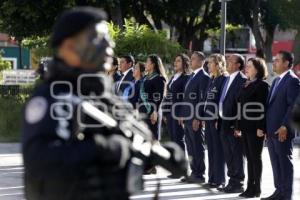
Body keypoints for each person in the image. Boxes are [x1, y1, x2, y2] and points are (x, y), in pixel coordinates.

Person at [21, 7, 131, 200]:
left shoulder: (103, 94)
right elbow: (39, 159)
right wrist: (103, 147)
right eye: (97, 37)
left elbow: (130, 136)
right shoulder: (53, 97)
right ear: (69, 46)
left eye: (108, 37)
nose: (109, 44)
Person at [261, 51, 300, 200]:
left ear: (286, 63)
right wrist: (265, 127)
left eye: (277, 60)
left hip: (282, 130)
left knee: (284, 163)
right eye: (274, 60)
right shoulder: (277, 81)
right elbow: (271, 107)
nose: (275, 63)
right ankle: (279, 192)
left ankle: (286, 195)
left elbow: (294, 106)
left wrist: (285, 126)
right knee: (276, 163)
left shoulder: (292, 80)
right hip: (271, 130)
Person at [235, 58, 269, 198]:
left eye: (249, 66)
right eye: (246, 66)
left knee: (256, 158)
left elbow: (263, 108)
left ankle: (257, 189)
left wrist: (261, 127)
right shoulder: (245, 84)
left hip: (256, 127)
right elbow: (240, 106)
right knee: (249, 158)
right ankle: (249, 187)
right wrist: (238, 126)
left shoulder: (262, 85)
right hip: (245, 126)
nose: (246, 69)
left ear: (257, 69)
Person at [179, 51, 210, 183]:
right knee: (190, 145)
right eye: (190, 59)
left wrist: (198, 117)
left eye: (193, 59)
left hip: (195, 118)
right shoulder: (191, 76)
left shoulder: (204, 77)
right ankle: (193, 171)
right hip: (187, 116)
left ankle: (200, 174)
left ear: (201, 61)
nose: (190, 61)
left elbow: (202, 99)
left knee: (197, 145)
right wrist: (181, 113)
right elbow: (187, 98)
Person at [218, 54, 246, 193]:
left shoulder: (242, 80)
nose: (227, 62)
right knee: (228, 154)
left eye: (230, 61)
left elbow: (241, 105)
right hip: (224, 121)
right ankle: (232, 181)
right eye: (227, 60)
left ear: (239, 65)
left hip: (234, 124)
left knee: (236, 154)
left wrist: (238, 125)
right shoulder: (227, 78)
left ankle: (238, 183)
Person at [202, 54, 227, 189]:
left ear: (218, 64)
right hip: (208, 118)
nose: (208, 65)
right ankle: (211, 178)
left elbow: (222, 100)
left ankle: (219, 179)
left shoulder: (224, 79)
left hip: (216, 119)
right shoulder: (212, 79)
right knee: (210, 149)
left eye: (210, 63)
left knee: (218, 150)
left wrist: (218, 117)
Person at [162, 54, 189, 151]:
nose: (175, 63)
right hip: (169, 113)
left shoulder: (186, 77)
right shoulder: (173, 77)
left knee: (179, 140)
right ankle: (175, 163)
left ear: (184, 63)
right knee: (173, 140)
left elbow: (186, 97)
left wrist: (183, 114)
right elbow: (168, 95)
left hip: (178, 113)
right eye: (175, 61)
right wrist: (165, 112)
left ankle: (181, 164)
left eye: (178, 61)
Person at [138, 54, 167, 140]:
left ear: (153, 64)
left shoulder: (159, 78)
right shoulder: (145, 78)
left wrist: (154, 111)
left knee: (153, 139)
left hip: (152, 112)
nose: (145, 64)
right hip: (142, 111)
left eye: (147, 62)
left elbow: (159, 97)